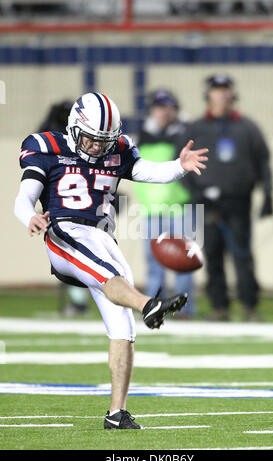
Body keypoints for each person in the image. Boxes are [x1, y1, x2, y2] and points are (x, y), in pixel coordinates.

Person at [14, 92, 208, 429]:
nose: (95, 147)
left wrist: (179, 166)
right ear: (75, 129)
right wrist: (28, 217)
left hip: (102, 236)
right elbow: (24, 197)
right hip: (64, 232)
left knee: (123, 326)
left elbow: (147, 171)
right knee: (108, 277)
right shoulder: (45, 147)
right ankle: (149, 303)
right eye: (90, 138)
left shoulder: (117, 149)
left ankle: (117, 413)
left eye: (103, 141)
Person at [180, 74, 273, 322]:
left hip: (238, 202)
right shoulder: (196, 129)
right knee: (213, 254)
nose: (221, 95)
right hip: (206, 202)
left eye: (225, 90)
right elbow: (180, 163)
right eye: (216, 90)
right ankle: (219, 306)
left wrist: (268, 195)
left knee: (242, 254)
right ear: (208, 95)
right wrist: (196, 192)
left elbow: (263, 161)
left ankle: (249, 305)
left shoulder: (248, 128)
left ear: (232, 94)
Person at [135, 89, 195, 318]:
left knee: (183, 261)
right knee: (154, 263)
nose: (163, 112)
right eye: (159, 107)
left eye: (167, 107)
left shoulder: (184, 133)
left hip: (180, 207)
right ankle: (155, 306)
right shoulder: (143, 135)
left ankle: (184, 309)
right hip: (151, 209)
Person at [38, 99, 90, 316]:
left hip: (75, 205)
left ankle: (81, 302)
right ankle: (81, 301)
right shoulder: (56, 139)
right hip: (65, 204)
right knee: (68, 254)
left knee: (78, 254)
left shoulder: (83, 138)